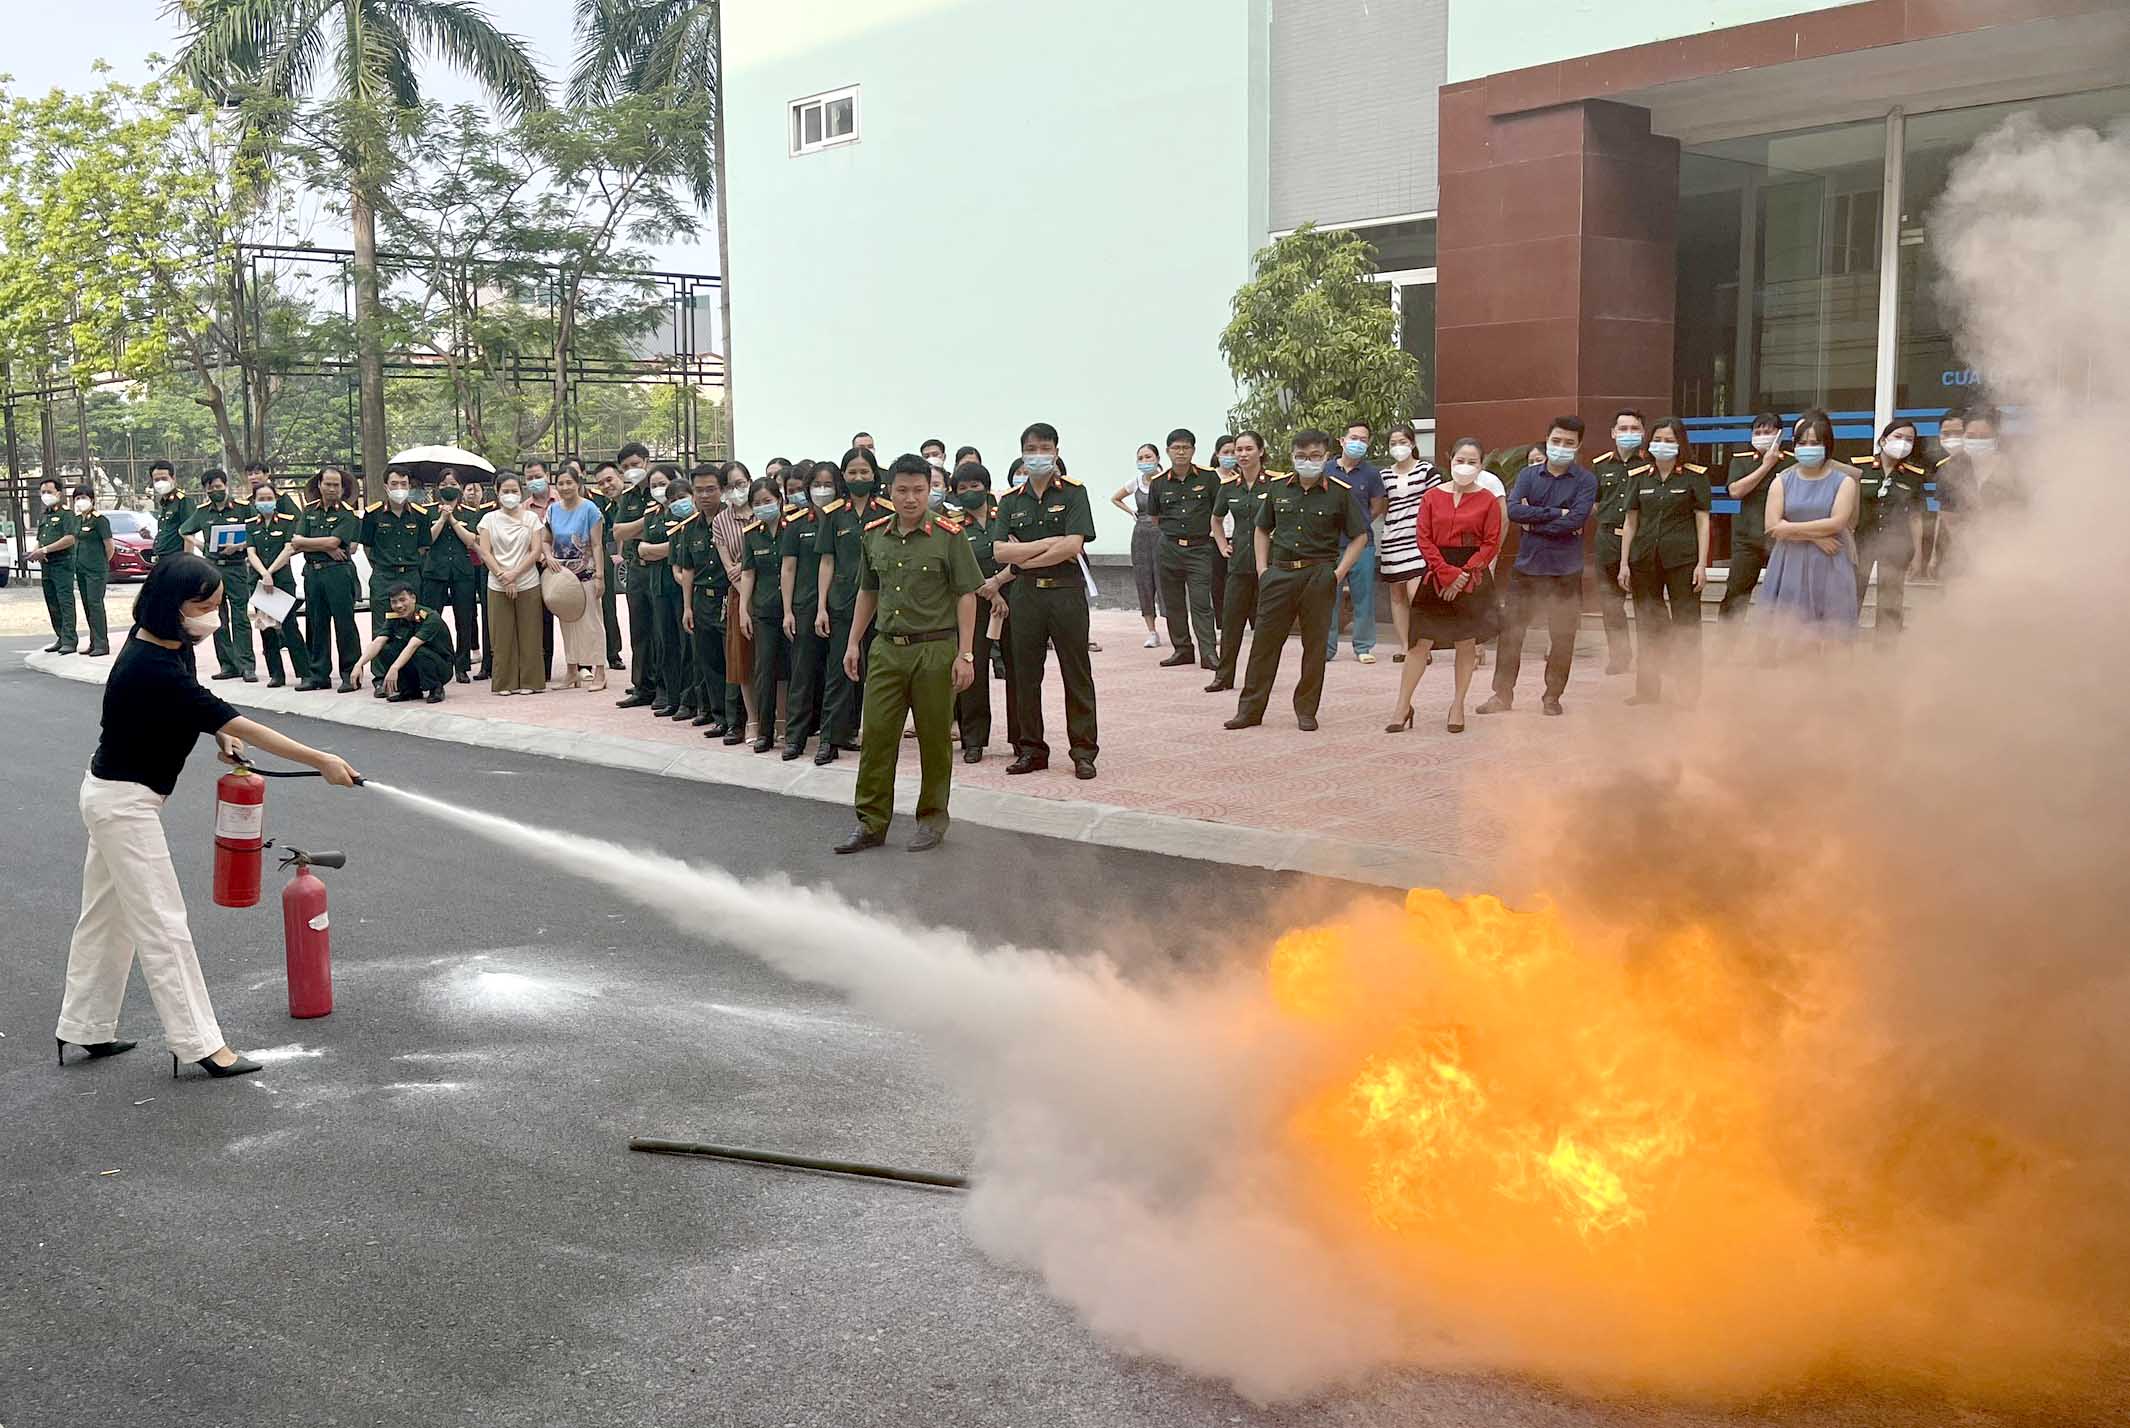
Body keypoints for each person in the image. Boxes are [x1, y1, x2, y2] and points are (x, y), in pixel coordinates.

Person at [54, 555, 360, 1081]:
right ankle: (199, 1043)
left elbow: (207, 714)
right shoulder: (149, 663)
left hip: (112, 795)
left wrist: (220, 735)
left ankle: (84, 1026)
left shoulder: (168, 644)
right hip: (123, 806)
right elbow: (236, 718)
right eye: (203, 607)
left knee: (108, 917)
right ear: (171, 606)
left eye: (218, 606)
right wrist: (323, 761)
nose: (213, 617)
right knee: (164, 924)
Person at [834, 454, 982, 855]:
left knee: (934, 739)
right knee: (878, 736)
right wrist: (853, 642)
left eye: (919, 490)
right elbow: (868, 591)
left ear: (930, 490)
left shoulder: (948, 535)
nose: (912, 499)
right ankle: (871, 822)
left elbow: (967, 595)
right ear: (891, 491)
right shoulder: (875, 534)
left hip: (935, 649)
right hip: (886, 650)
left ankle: (931, 819)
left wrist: (965, 654)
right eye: (903, 490)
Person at [1222, 430, 1368, 732]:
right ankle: (1249, 710)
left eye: (1315, 456)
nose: (1308, 462)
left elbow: (1361, 536)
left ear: (1326, 457)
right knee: (1263, 643)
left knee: (1314, 646)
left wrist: (1337, 574)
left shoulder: (1339, 493)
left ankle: (1306, 710)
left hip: (1318, 575)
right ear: (1292, 457)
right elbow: (1262, 529)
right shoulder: (1277, 490)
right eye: (1301, 456)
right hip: (1280, 574)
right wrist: (1263, 570)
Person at [987, 421, 1099, 779]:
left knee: (1076, 672)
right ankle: (1031, 749)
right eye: (1032, 449)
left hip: (1066, 593)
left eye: (1045, 448)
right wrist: (1048, 547)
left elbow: (1073, 545)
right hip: (1026, 596)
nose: (1039, 455)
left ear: (1057, 451)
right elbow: (1000, 550)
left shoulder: (1074, 493)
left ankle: (1083, 751)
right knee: (1025, 675)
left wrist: (1025, 555)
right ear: (1022, 454)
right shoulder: (1008, 501)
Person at [1479, 417, 1596, 718]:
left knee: (1562, 636)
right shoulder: (1529, 476)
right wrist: (1557, 513)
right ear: (1547, 440)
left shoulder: (1585, 480)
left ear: (1578, 445)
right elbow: (1515, 510)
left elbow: (1578, 519)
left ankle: (1552, 696)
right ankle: (1501, 694)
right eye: (1556, 441)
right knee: (1511, 633)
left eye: (1569, 443)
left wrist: (1536, 522)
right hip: (1527, 568)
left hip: (1565, 570)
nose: (1561, 447)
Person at [1387, 438, 1503, 734]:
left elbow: (1491, 542)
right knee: (1418, 642)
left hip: (1471, 574)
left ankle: (1458, 705)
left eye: (1472, 462)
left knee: (1465, 642)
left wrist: (1463, 575)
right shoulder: (1432, 496)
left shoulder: (1488, 499)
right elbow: (1423, 537)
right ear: (1449, 460)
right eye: (1459, 460)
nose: (1465, 467)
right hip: (1436, 571)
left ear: (1481, 464)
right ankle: (1402, 705)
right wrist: (1445, 573)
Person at [1616, 418, 1712, 707]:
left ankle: (1688, 692)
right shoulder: (1639, 476)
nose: (1663, 445)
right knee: (1648, 624)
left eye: (1670, 440)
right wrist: (1624, 563)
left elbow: (1703, 523)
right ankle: (1647, 690)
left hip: (1682, 560)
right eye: (1658, 439)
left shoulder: (1695, 476)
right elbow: (1630, 522)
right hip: (1644, 559)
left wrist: (1701, 564)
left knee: (1687, 625)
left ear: (1680, 444)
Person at [1760, 408, 1860, 652]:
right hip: (1789, 562)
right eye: (1802, 442)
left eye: (1815, 443)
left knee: (1832, 635)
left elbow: (1837, 522)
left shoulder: (1844, 480)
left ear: (1827, 445)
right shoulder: (1782, 479)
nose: (1808, 447)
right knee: (1789, 633)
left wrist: (1790, 528)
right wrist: (1815, 538)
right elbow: (1772, 526)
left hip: (1830, 561)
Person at [815, 448, 891, 760]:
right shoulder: (833, 514)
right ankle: (830, 740)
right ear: (843, 477)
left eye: (864, 471)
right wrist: (821, 606)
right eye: (852, 472)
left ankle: (863, 735)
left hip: (881, 602)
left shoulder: (887, 512)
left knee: (875, 672)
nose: (858, 477)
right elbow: (827, 562)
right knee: (838, 671)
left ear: (875, 475)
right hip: (842, 602)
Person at [779, 460, 841, 760]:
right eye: (817, 484)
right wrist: (788, 610)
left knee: (836, 674)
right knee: (802, 672)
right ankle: (796, 737)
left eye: (828, 484)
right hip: (804, 605)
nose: (822, 490)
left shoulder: (844, 520)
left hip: (840, 605)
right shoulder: (797, 523)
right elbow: (788, 568)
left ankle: (832, 738)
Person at [1205, 430, 1275, 693]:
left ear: (1260, 451)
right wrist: (1223, 545)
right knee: (1231, 622)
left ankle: (1258, 680)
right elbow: (1216, 519)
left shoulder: (1275, 484)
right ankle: (1224, 677)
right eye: (1238, 450)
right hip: (1238, 566)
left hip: (1267, 566)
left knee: (1265, 626)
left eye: (1248, 449)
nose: (1243, 455)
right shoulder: (1228, 488)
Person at [1146, 427, 1220, 670]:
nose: (1181, 452)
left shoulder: (1208, 478)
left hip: (1199, 548)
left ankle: (1208, 652)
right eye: (1176, 448)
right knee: (1173, 602)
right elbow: (1155, 517)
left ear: (1193, 451)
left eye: (1185, 447)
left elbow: (1217, 511)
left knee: (1201, 602)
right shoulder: (1158, 483)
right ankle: (1182, 649)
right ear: (1167, 451)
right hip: (1169, 548)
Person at [1852, 417, 1930, 642]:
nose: (1903, 443)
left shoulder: (1914, 476)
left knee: (1891, 602)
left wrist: (1918, 556)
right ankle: (1842, 650)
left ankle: (1885, 654)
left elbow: (1916, 517)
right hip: (1861, 541)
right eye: (1898, 437)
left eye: (1909, 439)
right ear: (1884, 439)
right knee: (1851, 596)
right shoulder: (1859, 466)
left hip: (1896, 544)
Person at [179, 468, 259, 682]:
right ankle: (227, 664)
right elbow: (184, 530)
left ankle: (247, 665)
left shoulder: (243, 508)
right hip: (212, 568)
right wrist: (200, 545)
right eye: (210, 488)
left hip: (236, 567)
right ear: (205, 490)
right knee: (218, 617)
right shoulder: (203, 512)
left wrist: (239, 545)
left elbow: (256, 533)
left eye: (218, 486)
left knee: (240, 617)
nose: (215, 490)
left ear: (225, 486)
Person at [291, 466, 364, 692]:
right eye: (328, 484)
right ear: (319, 485)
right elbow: (295, 541)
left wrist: (318, 543)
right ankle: (319, 674)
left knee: (345, 624)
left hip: (338, 572)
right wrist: (325, 544)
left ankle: (350, 674)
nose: (332, 489)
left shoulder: (346, 514)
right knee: (316, 623)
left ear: (343, 489)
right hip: (313, 572)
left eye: (336, 485)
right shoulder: (309, 511)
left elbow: (335, 543)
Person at [949, 462, 1003, 762]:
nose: (970, 492)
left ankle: (1023, 739)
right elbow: (957, 566)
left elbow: (1019, 551)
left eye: (975, 485)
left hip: (1010, 598)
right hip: (974, 602)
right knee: (974, 667)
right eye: (962, 488)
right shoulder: (954, 524)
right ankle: (973, 739)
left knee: (1019, 671)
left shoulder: (1002, 516)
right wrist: (988, 589)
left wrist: (998, 588)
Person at [476, 473, 547, 696]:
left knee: (530, 633)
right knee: (501, 635)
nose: (510, 495)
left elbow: (536, 550)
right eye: (505, 491)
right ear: (497, 493)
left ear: (521, 492)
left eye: (514, 491)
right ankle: (504, 682)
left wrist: (515, 574)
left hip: (527, 581)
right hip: (497, 583)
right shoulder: (488, 520)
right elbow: (485, 551)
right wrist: (502, 575)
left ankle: (530, 681)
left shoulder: (531, 519)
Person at [674, 464, 730, 732]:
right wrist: (687, 607)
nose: (705, 495)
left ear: (722, 490)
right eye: (699, 490)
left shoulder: (732, 522)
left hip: (727, 599)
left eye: (711, 489)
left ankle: (734, 719)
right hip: (701, 601)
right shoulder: (691, 528)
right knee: (708, 661)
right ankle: (715, 714)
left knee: (731, 661)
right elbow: (688, 569)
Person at [1588, 410, 1645, 674]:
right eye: (1623, 428)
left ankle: (1654, 655)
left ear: (1643, 433)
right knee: (1611, 604)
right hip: (1608, 538)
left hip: (1642, 539)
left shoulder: (1650, 463)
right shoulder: (1601, 465)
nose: (1628, 433)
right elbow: (1596, 503)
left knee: (1646, 601)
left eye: (1634, 428)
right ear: (1613, 433)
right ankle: (1619, 656)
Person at [1717, 412, 1789, 621]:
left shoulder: (1791, 462)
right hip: (1747, 539)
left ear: (1779, 435)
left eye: (1768, 432)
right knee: (1735, 595)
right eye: (1757, 432)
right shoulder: (1741, 461)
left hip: (1781, 539)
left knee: (1781, 598)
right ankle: (1726, 645)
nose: (1762, 435)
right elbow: (1736, 491)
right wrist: (1766, 465)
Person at [1376, 422, 1439, 659]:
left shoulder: (1426, 470)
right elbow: (1384, 507)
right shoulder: (1384, 475)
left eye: (1402, 442)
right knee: (1397, 595)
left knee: (1417, 595)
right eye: (1393, 443)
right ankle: (1405, 646)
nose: (1398, 447)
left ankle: (1423, 647)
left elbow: (1436, 503)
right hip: (1393, 540)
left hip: (1419, 540)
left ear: (1412, 443)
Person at [1325, 420, 1384, 664]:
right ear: (1342, 440)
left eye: (1363, 439)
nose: (1357, 443)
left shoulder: (1371, 474)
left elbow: (1378, 506)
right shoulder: (1326, 469)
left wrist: (1356, 526)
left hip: (1362, 545)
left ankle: (1363, 647)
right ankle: (1326, 648)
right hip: (1329, 545)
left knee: (1364, 596)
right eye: (1353, 438)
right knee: (1328, 596)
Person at [244, 478, 312, 688]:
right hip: (260, 583)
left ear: (276, 500)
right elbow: (251, 552)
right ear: (255, 502)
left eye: (269, 498)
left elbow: (288, 549)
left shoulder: (286, 521)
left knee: (290, 627)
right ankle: (276, 674)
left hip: (281, 581)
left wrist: (270, 572)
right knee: (267, 628)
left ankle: (305, 673)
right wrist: (263, 574)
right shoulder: (250, 525)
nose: (266, 502)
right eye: (261, 499)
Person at [738, 477, 790, 752]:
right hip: (763, 610)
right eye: (757, 504)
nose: (763, 507)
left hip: (792, 610)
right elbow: (748, 573)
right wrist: (743, 609)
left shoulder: (792, 529)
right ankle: (765, 732)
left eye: (767, 501)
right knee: (765, 670)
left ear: (779, 500)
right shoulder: (751, 534)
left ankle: (790, 728)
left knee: (793, 670)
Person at [546, 465, 609, 689]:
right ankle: (571, 671)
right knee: (567, 624)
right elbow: (545, 540)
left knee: (592, 624)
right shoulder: (552, 510)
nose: (564, 487)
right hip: (562, 578)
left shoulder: (590, 509)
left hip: (586, 575)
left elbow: (596, 544)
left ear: (578, 483)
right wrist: (547, 556)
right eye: (560, 483)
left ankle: (600, 672)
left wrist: (600, 576)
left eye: (569, 483)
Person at [420, 469, 482, 685]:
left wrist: (453, 518)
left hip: (462, 571)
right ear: (438, 487)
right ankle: (436, 662)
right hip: (434, 571)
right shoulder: (426, 512)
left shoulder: (470, 512)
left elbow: (471, 541)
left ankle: (462, 665)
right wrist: (441, 518)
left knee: (464, 619)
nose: (449, 487)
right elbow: (427, 540)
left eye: (454, 483)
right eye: (445, 483)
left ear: (461, 488)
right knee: (431, 618)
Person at [611, 441, 659, 708]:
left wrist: (641, 528)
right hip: (636, 570)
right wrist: (649, 521)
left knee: (661, 630)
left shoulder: (659, 491)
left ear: (647, 462)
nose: (631, 470)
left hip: (659, 569)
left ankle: (663, 686)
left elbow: (661, 531)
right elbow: (618, 532)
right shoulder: (628, 497)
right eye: (626, 467)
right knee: (639, 630)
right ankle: (642, 686)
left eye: (635, 464)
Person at [712, 462, 756, 744]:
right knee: (743, 661)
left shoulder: (765, 509)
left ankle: (780, 719)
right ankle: (753, 720)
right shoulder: (720, 521)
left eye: (740, 483)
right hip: (740, 596)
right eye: (729, 486)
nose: (736, 490)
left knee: (775, 661)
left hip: (773, 592)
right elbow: (730, 568)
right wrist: (746, 600)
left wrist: (748, 569)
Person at [362, 465, 430, 644]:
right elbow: (367, 547)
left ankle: (411, 669)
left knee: (413, 623)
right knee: (381, 625)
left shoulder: (420, 515)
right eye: (394, 484)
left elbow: (423, 547)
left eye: (403, 484)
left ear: (409, 487)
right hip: (383, 575)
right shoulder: (373, 514)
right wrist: (382, 566)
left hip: (410, 575)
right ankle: (381, 670)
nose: (399, 488)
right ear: (386, 486)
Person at [1109, 443, 1167, 649]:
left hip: (1163, 535)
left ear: (1158, 458)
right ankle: (1152, 632)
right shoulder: (1135, 482)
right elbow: (1115, 498)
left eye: (1148, 457)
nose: (1144, 461)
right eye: (1140, 458)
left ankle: (1177, 629)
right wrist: (1131, 512)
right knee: (1144, 582)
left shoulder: (1166, 479)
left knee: (1165, 581)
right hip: (1141, 536)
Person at [360, 584, 454, 703]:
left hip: (440, 666)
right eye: (394, 602)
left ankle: (435, 688)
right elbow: (378, 641)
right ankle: (409, 690)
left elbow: (413, 645)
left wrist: (394, 668)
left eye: (402, 600)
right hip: (416, 662)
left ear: (413, 598)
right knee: (385, 649)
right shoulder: (394, 617)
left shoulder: (429, 617)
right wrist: (359, 664)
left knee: (418, 651)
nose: (399, 606)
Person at [31, 477, 80, 655]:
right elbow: (40, 538)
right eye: (43, 492)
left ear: (58, 493)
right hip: (47, 565)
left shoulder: (66, 514)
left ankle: (70, 639)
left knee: (64, 600)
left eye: (49, 492)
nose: (46, 495)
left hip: (62, 564)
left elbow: (70, 538)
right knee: (51, 601)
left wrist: (45, 549)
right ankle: (60, 636)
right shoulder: (45, 515)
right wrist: (35, 552)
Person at [589, 461, 626, 671]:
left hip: (605, 553)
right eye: (601, 482)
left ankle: (614, 653)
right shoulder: (606, 504)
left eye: (609, 479)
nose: (606, 485)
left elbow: (616, 532)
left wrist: (618, 554)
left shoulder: (622, 500)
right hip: (582, 557)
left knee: (609, 606)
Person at [69, 484, 115, 657]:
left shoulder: (100, 520)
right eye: (77, 498)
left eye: (84, 497)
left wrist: (102, 563)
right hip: (81, 568)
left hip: (96, 569)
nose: (80, 501)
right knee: (88, 605)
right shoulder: (78, 519)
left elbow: (109, 546)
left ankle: (102, 644)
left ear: (92, 499)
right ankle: (93, 641)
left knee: (96, 605)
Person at [147, 461, 191, 568]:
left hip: (177, 560)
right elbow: (167, 533)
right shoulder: (163, 503)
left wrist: (187, 563)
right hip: (161, 559)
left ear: (173, 478)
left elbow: (189, 535)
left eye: (164, 478)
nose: (160, 482)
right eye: (156, 480)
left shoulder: (183, 501)